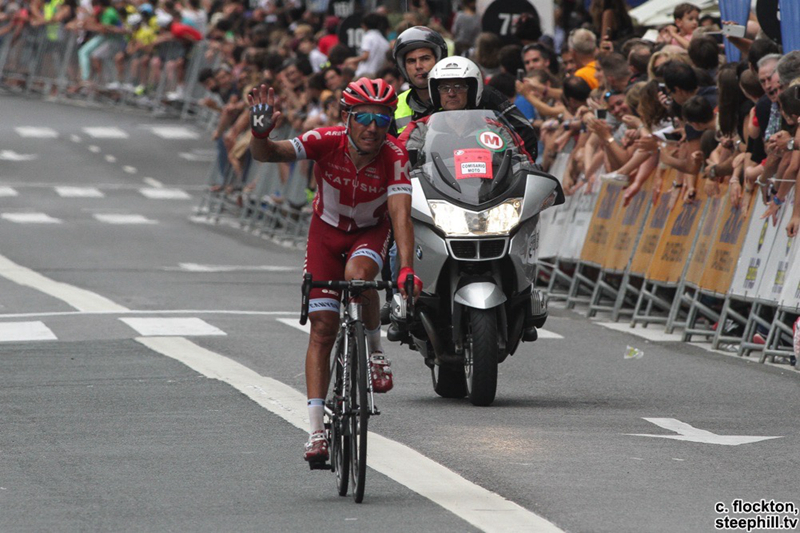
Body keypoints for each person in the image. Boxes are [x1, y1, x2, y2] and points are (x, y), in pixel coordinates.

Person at [247, 78, 421, 463]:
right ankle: (315, 431)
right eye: (363, 117)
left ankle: (374, 354)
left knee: (360, 278)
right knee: (323, 327)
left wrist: (406, 269)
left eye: (382, 118)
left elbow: (401, 217)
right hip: (325, 233)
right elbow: (267, 154)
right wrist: (260, 134)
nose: (372, 127)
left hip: (369, 232)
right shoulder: (324, 140)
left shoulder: (394, 156)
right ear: (347, 118)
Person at [390, 25, 449, 135]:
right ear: (403, 68)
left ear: (439, 60)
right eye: (411, 61)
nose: (418, 66)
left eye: (425, 59)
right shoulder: (395, 105)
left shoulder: (456, 97)